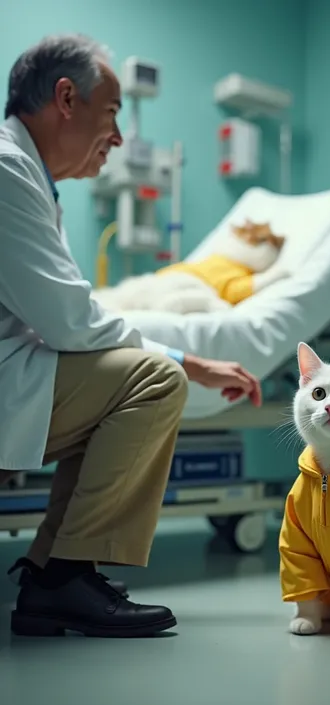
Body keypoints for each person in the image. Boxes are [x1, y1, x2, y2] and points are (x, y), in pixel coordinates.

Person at [0, 34, 262, 639]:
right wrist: (189, 361)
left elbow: (63, 318)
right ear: (66, 98)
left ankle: (54, 573)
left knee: (126, 378)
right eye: (113, 113)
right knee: (154, 379)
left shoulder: (32, 181)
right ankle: (62, 576)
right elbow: (69, 320)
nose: (118, 138)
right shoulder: (9, 171)